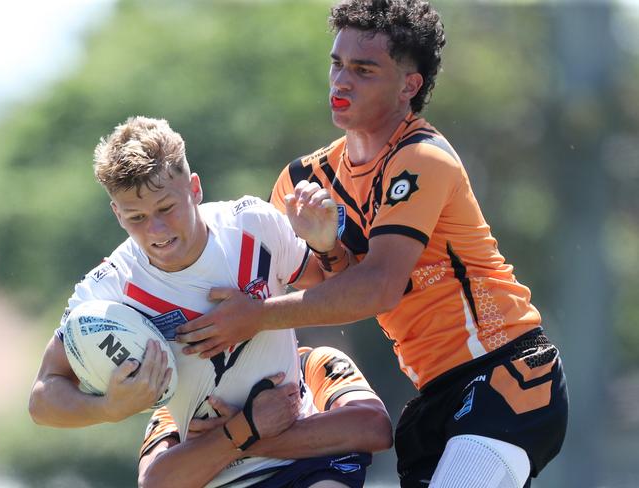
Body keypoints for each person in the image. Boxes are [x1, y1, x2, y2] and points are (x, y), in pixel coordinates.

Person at [173, 2, 569, 487]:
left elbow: (378, 288)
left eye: (364, 70)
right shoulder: (302, 179)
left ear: (409, 86)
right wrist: (325, 249)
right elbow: (329, 292)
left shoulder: (422, 157)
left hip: (507, 372)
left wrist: (256, 315)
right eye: (337, 63)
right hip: (434, 397)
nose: (341, 81)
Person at [28, 116, 392, 487]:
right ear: (117, 214)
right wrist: (107, 407)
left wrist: (327, 246)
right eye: (136, 217)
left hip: (306, 463)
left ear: (195, 189)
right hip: (216, 476)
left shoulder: (252, 225)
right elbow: (42, 398)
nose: (157, 230)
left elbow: (339, 294)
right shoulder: (108, 290)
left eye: (166, 208)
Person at [139, 345, 388, 487]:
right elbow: (154, 483)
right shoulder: (184, 405)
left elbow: (375, 428)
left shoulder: (312, 361)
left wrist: (243, 435)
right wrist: (244, 429)